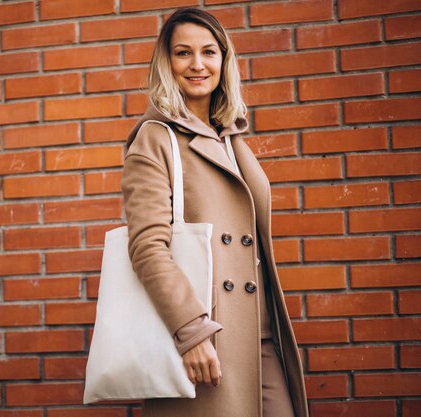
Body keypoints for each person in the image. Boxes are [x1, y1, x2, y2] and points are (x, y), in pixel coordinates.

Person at [122, 8, 309, 417]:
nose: (197, 64)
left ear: (224, 61)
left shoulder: (231, 137)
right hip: (208, 338)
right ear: (166, 63)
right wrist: (191, 333)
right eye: (182, 53)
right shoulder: (156, 139)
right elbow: (147, 248)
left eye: (209, 52)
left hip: (262, 337)